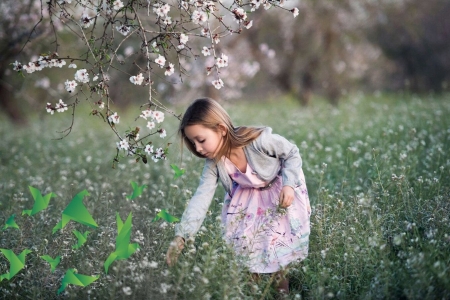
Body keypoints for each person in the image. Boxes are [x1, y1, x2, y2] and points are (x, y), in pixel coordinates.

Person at [166, 98, 311, 295]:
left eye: (201, 140)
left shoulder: (258, 141)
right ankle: (253, 293)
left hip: (278, 193)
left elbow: (292, 153)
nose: (198, 148)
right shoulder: (214, 163)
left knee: (277, 251)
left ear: (221, 129)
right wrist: (181, 235)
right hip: (249, 201)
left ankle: (281, 293)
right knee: (248, 253)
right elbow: (201, 197)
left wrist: (289, 185)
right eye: (193, 143)